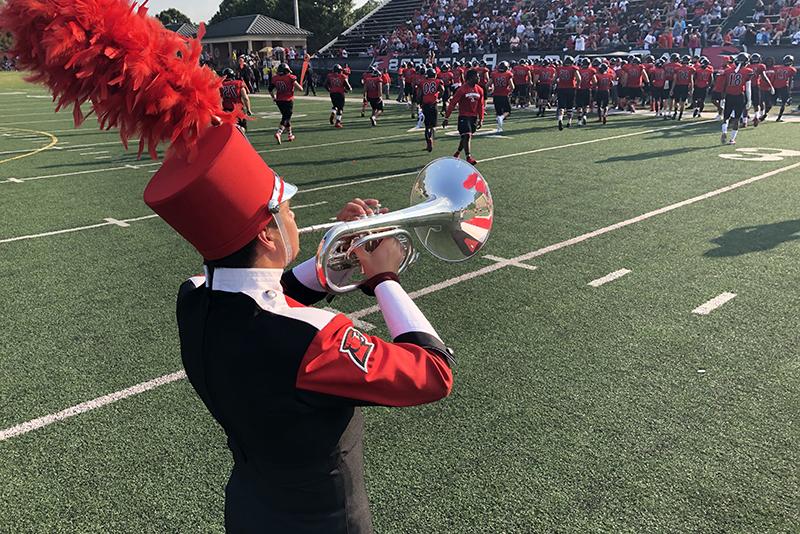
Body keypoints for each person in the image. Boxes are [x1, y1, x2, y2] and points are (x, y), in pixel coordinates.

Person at [142, 122, 456, 533]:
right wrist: (384, 278)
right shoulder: (313, 338)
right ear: (268, 235)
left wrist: (344, 252)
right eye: (287, 209)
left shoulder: (195, 298)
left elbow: (268, 294)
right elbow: (434, 373)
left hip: (250, 510)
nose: (294, 216)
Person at [443, 68, 484, 165]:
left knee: (465, 137)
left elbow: (481, 105)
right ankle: (468, 157)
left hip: (473, 117)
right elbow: (453, 103)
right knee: (467, 135)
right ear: (471, 78)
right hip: (464, 116)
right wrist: (446, 117)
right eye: (477, 77)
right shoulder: (462, 89)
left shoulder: (480, 90)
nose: (479, 78)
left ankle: (457, 153)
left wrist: (481, 118)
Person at [269, 63, 303, 145]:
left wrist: (274, 97)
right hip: (288, 100)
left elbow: (270, 89)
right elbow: (300, 89)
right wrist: (299, 85)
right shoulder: (290, 77)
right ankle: (279, 133)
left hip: (279, 100)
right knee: (286, 117)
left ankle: (290, 135)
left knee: (286, 117)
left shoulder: (275, 78)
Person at [418, 67, 444, 151]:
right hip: (433, 104)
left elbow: (419, 94)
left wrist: (420, 102)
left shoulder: (422, 82)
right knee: (433, 126)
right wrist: (438, 97)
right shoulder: (438, 81)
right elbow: (442, 90)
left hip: (425, 105)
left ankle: (428, 141)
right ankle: (431, 139)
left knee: (427, 126)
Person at [220, 68, 252, 134]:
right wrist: (248, 109)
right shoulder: (238, 83)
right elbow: (245, 98)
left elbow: (218, 99)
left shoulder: (220, 85)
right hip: (238, 110)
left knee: (228, 130)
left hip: (226, 110)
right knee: (243, 128)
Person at [555, 55, 581, 130]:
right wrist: (578, 86)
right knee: (569, 107)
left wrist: (554, 85)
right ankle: (569, 121)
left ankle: (560, 119)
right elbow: (579, 78)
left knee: (561, 107)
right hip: (570, 88)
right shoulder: (573, 68)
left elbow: (554, 79)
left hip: (561, 88)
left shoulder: (559, 69)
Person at [489, 61, 514, 132]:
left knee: (498, 112)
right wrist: (509, 91)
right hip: (504, 95)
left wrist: (490, 90)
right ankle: (502, 117)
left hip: (496, 95)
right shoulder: (508, 74)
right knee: (508, 111)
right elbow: (512, 86)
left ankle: (499, 128)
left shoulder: (494, 74)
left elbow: (487, 85)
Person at [325, 64, 351, 128]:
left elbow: (325, 85)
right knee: (340, 108)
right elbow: (348, 86)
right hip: (340, 94)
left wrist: (330, 90)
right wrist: (347, 89)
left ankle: (333, 112)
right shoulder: (342, 76)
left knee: (335, 105)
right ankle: (337, 122)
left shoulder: (329, 76)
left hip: (332, 93)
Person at [771, 55, 796, 122]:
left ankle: (764, 114)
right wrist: (789, 89)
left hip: (775, 85)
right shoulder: (791, 69)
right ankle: (779, 117)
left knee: (772, 102)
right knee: (783, 103)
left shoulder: (777, 67)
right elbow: (790, 80)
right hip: (784, 86)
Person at [670, 55, 695, 120]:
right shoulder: (691, 69)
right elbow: (691, 80)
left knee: (676, 101)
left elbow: (675, 80)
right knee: (683, 102)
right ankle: (680, 116)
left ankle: (675, 112)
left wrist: (672, 89)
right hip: (685, 86)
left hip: (678, 86)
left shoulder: (677, 69)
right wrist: (691, 89)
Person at [576, 57, 597, 126]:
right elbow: (595, 81)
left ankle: (579, 119)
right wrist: (592, 86)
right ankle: (584, 116)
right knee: (586, 105)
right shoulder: (592, 70)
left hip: (579, 89)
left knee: (579, 105)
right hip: (587, 89)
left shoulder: (579, 70)